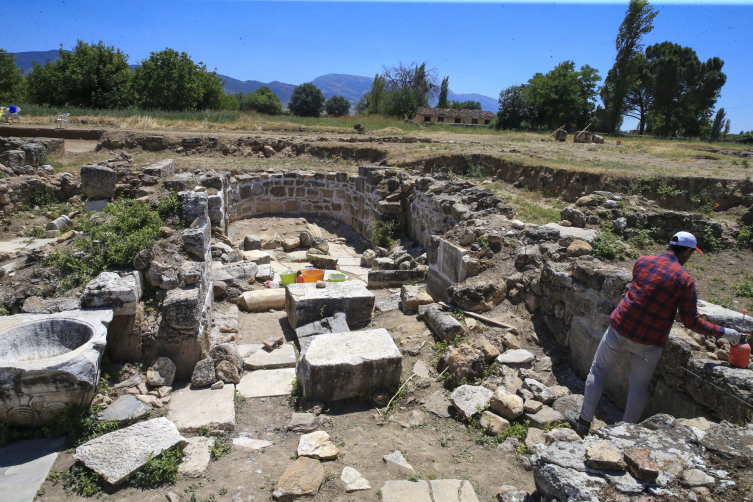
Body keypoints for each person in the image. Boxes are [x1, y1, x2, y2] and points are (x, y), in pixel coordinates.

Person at [565, 231, 743, 436]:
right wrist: (726, 333)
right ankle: (624, 435)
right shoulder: (685, 281)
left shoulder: (643, 262)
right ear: (686, 252)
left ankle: (583, 423)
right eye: (692, 253)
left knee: (599, 371)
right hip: (650, 342)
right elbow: (691, 322)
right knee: (638, 386)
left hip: (620, 328)